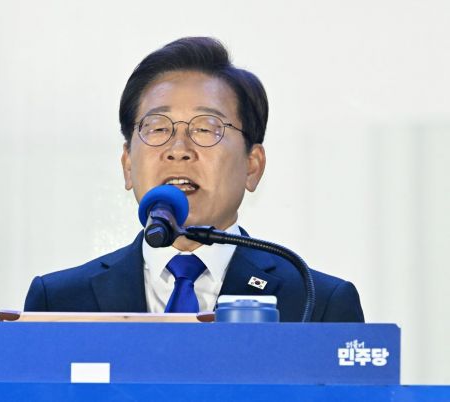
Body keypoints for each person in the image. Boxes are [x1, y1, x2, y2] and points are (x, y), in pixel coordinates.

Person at [24, 37, 364, 322]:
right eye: (158, 128)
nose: (179, 150)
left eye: (205, 129)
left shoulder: (318, 303)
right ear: (127, 165)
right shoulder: (59, 301)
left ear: (252, 166)